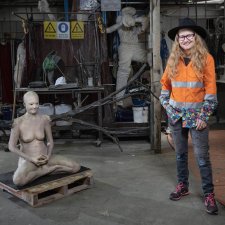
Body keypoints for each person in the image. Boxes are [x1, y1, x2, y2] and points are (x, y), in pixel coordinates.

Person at [159, 18, 218, 215]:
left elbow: (211, 91)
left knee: (202, 158)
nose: (184, 39)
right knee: (180, 154)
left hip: (197, 115)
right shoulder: (172, 60)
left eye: (188, 35)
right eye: (181, 36)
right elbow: (164, 86)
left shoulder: (206, 59)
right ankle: (182, 186)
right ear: (177, 39)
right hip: (176, 115)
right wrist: (167, 107)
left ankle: (208, 194)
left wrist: (204, 115)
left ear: (195, 37)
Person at [8, 91, 80, 186]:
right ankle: (46, 171)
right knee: (17, 181)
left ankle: (42, 171)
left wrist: (48, 156)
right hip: (30, 160)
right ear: (24, 104)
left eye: (36, 103)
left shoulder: (44, 119)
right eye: (31, 104)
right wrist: (31, 159)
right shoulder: (17, 123)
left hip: (45, 158)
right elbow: (11, 147)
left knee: (75, 167)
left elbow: (50, 141)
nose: (34, 106)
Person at [106, 7, 149, 107]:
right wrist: (122, 23)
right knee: (123, 72)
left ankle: (158, 88)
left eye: (131, 14)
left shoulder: (133, 25)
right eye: (128, 14)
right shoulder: (120, 22)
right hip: (125, 47)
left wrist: (140, 22)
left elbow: (143, 24)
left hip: (135, 47)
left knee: (151, 58)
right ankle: (119, 100)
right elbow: (108, 30)